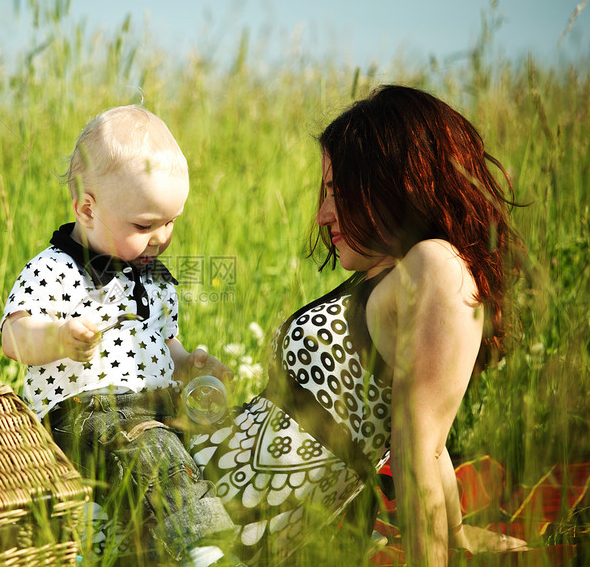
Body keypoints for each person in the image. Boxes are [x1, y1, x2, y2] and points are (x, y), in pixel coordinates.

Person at [188, 85, 527, 565]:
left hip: (216, 527)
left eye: (339, 194)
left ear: (402, 184)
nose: (324, 214)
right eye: (325, 194)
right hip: (194, 485)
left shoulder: (434, 265)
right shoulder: (384, 274)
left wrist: (440, 551)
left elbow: (421, 447)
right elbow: (422, 431)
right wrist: (455, 532)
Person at [0, 105, 240, 566]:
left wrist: (186, 362)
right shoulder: (54, 269)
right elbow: (14, 335)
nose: (160, 238)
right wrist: (59, 337)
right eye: (145, 225)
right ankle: (205, 550)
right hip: (82, 416)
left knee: (181, 456)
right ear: (87, 208)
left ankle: (148, 549)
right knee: (153, 454)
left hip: (152, 412)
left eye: (171, 222)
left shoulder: (155, 278)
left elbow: (162, 340)